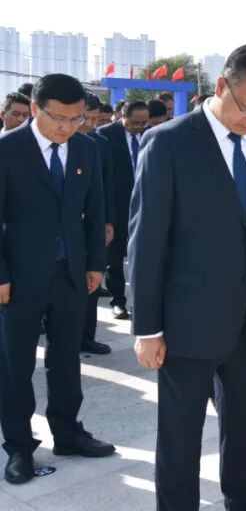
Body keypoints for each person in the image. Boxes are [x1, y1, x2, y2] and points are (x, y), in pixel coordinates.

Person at [129, 44, 246, 510]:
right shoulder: (170, 143)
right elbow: (147, 241)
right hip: (186, 322)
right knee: (180, 437)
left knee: (243, 428)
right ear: (221, 86)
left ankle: (244, 500)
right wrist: (147, 327)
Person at [0, 74, 114, 485]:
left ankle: (68, 433)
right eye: (58, 118)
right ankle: (18, 446)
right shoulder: (8, 149)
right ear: (35, 108)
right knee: (15, 365)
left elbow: (96, 208)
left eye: (76, 118)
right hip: (19, 277)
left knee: (66, 359)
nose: (67, 127)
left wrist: (96, 263)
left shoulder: (86, 147)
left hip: (70, 274)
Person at [96, 99, 150, 320]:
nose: (140, 127)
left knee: (144, 257)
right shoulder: (105, 135)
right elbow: (102, 176)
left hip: (145, 206)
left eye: (143, 122)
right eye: (136, 122)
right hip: (117, 206)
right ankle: (118, 301)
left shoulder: (151, 134)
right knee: (115, 257)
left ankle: (141, 303)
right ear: (123, 116)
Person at [79, 93, 116, 355]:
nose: (90, 124)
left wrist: (108, 220)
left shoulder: (99, 143)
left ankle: (86, 336)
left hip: (93, 224)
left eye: (94, 119)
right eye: (85, 118)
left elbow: (107, 184)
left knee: (91, 280)